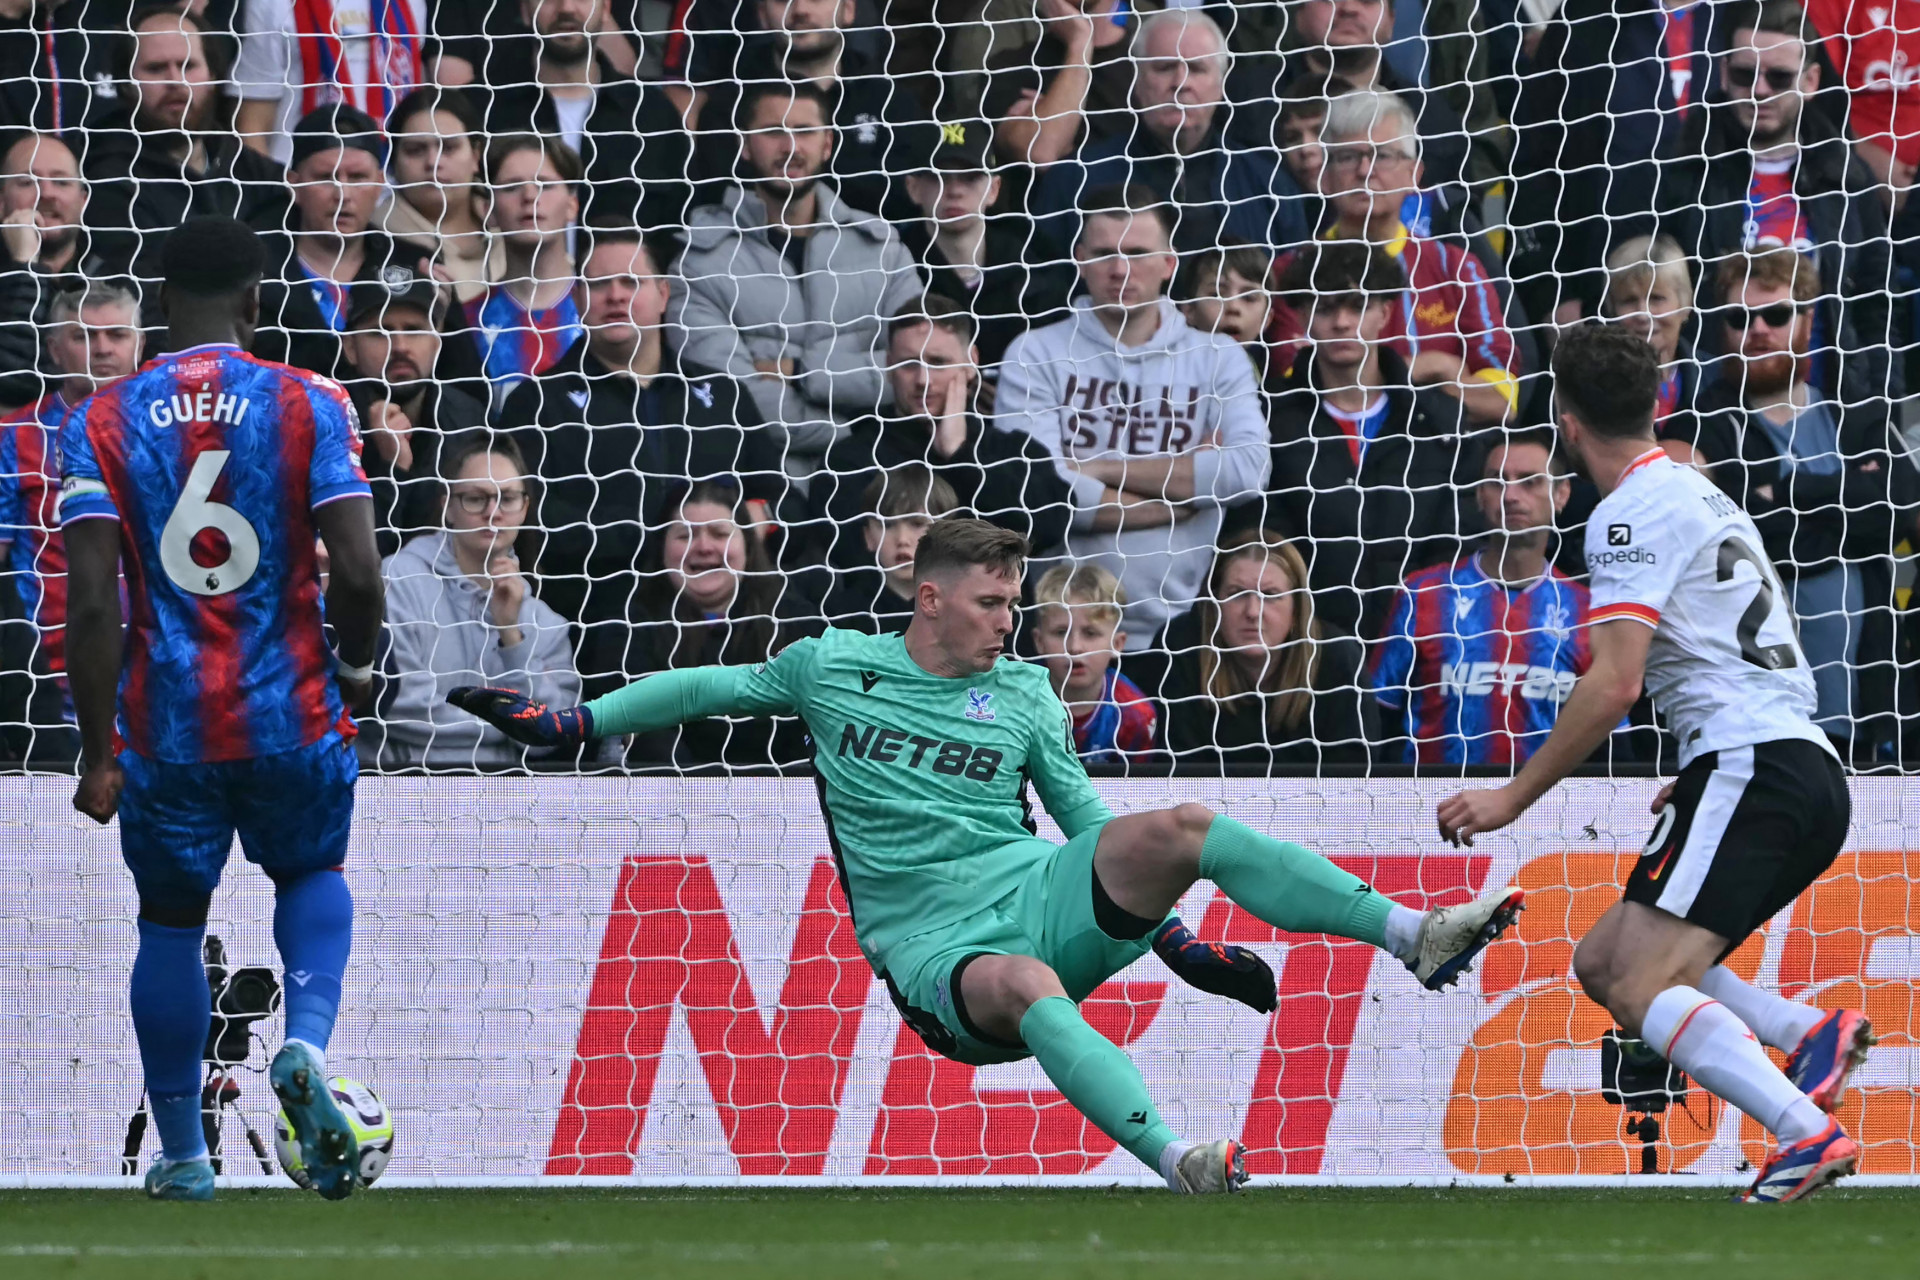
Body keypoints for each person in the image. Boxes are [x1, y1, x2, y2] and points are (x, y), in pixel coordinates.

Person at [451, 515, 1525, 1192]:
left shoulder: (1020, 693)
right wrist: (580, 723)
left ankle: (1413, 934)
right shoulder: (834, 666)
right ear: (929, 598)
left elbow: (1085, 821)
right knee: (1027, 982)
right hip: (933, 953)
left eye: (1017, 602)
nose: (1012, 623)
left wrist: (1176, 938)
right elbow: (705, 689)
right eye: (993, 602)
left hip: (1034, 889)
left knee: (1184, 827)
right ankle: (1178, 1160)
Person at [1438, 322, 1873, 1205]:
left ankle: (1804, 1131)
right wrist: (1711, 762)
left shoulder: (1627, 513)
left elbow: (1613, 685)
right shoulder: (1699, 490)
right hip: (1785, 760)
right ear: (1655, 403)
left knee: (1640, 981)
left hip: (1758, 763)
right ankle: (1805, 1031)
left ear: (1565, 421)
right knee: (1606, 963)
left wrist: (1510, 799)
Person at [58, 215, 385, 1202]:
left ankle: (184, 1154)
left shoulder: (103, 419)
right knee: (311, 872)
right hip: (292, 708)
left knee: (167, 924)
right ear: (256, 302)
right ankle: (307, 1044)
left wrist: (96, 749)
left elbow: (90, 602)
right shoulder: (310, 401)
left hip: (171, 725)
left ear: (159, 306)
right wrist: (358, 665)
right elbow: (361, 571)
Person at [1670, 248, 1920, 757]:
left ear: (1807, 319)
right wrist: (1843, 496)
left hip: (1869, 703)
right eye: (1740, 318)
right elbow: (1744, 539)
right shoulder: (1694, 427)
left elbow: (1894, 511)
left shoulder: (1858, 417)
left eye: (1777, 314)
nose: (1758, 329)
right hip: (1748, 711)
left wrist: (1781, 493)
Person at [997, 185, 1269, 650]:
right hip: (1055, 635)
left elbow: (1247, 471)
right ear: (1080, 258)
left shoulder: (1218, 357)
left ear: (1169, 263)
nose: (1120, 270)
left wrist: (1097, 469)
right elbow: (1033, 495)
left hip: (1179, 636)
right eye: (1105, 253)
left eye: (1138, 253)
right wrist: (1182, 499)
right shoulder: (1034, 352)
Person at [503, 227, 786, 642]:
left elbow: (776, 497)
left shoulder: (723, 395)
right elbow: (534, 521)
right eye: (599, 284)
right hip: (598, 629)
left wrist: (754, 522)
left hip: (735, 629)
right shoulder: (536, 403)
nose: (616, 295)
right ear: (579, 300)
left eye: (631, 282)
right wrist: (660, 537)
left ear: (663, 295)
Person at [672, 82, 921, 479]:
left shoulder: (881, 248)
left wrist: (801, 371)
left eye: (804, 131)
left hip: (881, 486)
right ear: (745, 145)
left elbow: (919, 370)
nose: (791, 146)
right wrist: (854, 432)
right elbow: (734, 399)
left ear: (828, 144)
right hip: (764, 483)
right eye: (773, 131)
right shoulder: (700, 260)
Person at [1656, 0, 1899, 407]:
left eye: (1779, 77)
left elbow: (1878, 307)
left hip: (1831, 408)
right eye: (1744, 74)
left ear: (1811, 80)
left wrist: (1876, 417)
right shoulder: (1682, 176)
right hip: (1716, 415)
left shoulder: (1846, 177)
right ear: (1722, 74)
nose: (1760, 90)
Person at [1259, 240, 1477, 637]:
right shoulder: (1267, 419)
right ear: (1305, 318)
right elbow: (1262, 539)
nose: (1342, 322)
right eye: (1325, 308)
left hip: (1424, 641)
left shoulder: (1441, 423)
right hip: (1302, 647)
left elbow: (1458, 546)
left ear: (1385, 313)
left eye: (1357, 306)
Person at [1285, 91, 1519, 425]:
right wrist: (1437, 367)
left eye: (1382, 156)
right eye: (1348, 157)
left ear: (1414, 173)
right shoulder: (1291, 271)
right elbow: (1297, 391)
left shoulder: (1455, 267)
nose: (1365, 171)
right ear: (1324, 175)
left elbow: (1501, 403)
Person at [1370, 427, 1600, 765]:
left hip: (1548, 811)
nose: (1510, 495)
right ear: (1480, 495)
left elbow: (1607, 740)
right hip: (1433, 806)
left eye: (1530, 480)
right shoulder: (1423, 593)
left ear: (1562, 494)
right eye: (1497, 480)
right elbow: (1379, 717)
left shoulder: (1588, 609)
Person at [812, 297, 1075, 569]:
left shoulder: (1014, 451)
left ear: (970, 362)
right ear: (889, 366)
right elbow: (852, 559)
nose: (923, 380)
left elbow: (1049, 529)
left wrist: (961, 454)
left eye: (937, 362)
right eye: (909, 364)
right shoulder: (847, 462)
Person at [373, 432, 583, 770]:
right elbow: (396, 704)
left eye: (508, 498)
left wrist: (511, 635)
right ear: (447, 506)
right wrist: (512, 725)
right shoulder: (398, 579)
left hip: (505, 804)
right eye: (475, 498)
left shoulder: (546, 623)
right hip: (402, 790)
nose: (493, 512)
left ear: (525, 508)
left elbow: (552, 737)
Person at [575, 479, 822, 765]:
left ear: (748, 547)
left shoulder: (796, 621)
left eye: (719, 533)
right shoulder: (627, 626)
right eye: (685, 535)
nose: (704, 546)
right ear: (662, 547)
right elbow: (641, 730)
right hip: (670, 794)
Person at [1029, 10, 1311, 260]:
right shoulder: (1076, 178)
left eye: (1197, 69)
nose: (1180, 84)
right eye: (1164, 68)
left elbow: (1291, 299)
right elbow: (1046, 292)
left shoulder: (1268, 185)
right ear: (1137, 83)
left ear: (1221, 86)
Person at [0, 282, 140, 763]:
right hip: (49, 683)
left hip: (160, 673)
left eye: (117, 334)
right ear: (54, 348)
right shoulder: (13, 436)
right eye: (82, 335)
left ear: (140, 343)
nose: (101, 348)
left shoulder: (176, 428)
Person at [82, 5, 291, 287]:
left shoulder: (255, 174)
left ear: (213, 77)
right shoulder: (106, 181)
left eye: (187, 66)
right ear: (127, 85)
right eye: (156, 68)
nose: (175, 81)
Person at [253, 105, 448, 385]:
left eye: (357, 178)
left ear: (380, 184)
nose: (342, 194)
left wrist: (440, 319)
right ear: (294, 185)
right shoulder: (259, 274)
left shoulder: (414, 265)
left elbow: (459, 381)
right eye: (325, 178)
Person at [691, 0, 931, 221]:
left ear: (848, 10)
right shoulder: (730, 104)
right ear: (762, 15)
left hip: (870, 255)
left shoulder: (890, 100)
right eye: (783, 0)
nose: (800, 10)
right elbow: (723, 195)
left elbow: (906, 197)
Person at [1155, 529, 1372, 768]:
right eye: (1236, 594)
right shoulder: (1179, 647)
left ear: (1297, 608)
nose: (1252, 612)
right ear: (1214, 603)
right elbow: (1175, 773)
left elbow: (1354, 775)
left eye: (1270, 595)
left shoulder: (1336, 656)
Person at [479, 0, 692, 234]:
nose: (567, 8)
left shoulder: (652, 115)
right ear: (524, 10)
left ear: (606, 10)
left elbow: (682, 226)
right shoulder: (484, 110)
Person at [338, 264, 491, 556]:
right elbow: (353, 557)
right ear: (351, 348)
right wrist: (391, 469)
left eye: (415, 329)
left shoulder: (467, 420)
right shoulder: (325, 421)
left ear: (437, 340)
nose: (400, 346)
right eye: (380, 332)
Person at [899, 119, 1072, 376]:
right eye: (940, 177)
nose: (955, 190)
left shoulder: (1037, 265)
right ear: (913, 188)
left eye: (970, 177)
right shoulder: (894, 268)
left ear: (993, 189)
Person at [467, 135, 584, 413]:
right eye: (512, 186)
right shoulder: (468, 321)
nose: (529, 196)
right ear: (488, 211)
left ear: (572, 205)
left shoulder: (605, 307)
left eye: (545, 184)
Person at [233, 0, 427, 164]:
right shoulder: (272, 3)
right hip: (299, 186)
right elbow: (252, 123)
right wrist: (274, 193)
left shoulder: (411, 3)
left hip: (391, 188)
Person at [0, 132, 102, 409]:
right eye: (27, 182)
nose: (46, 193)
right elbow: (9, 383)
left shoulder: (118, 280)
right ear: (1, 201)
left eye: (61, 181)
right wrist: (26, 267)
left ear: (83, 201)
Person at [378, 87, 497, 306]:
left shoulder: (514, 226)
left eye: (449, 147)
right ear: (393, 163)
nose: (433, 162)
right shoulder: (373, 241)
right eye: (415, 150)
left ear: (476, 155)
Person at [983, 0, 1138, 168]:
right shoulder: (1010, 67)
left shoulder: (1149, 61)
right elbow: (1041, 153)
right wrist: (1080, 42)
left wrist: (1065, 140)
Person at [1028, 562, 1155, 763]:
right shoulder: (1018, 702)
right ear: (1039, 641)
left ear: (1117, 643)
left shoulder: (1135, 714)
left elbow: (1135, 791)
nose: (1075, 647)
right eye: (1061, 632)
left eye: (1090, 633)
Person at [821, 464, 958, 633]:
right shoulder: (845, 612)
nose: (902, 539)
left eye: (917, 524)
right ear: (869, 537)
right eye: (888, 525)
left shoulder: (962, 606)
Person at [1603, 233, 1709, 429]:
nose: (1643, 314)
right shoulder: (1594, 382)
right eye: (1629, 301)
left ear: (1685, 304)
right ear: (1612, 309)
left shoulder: (1716, 377)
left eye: (1657, 298)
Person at [1175, 244, 1276, 376]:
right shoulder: (1168, 375)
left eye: (1249, 298)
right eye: (1217, 295)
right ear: (1189, 310)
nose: (1233, 307)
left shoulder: (1271, 388)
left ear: (1266, 319)